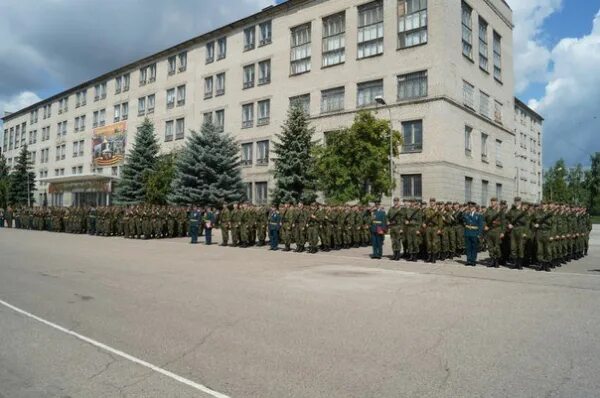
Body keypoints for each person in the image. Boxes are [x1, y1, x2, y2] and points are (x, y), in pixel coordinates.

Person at [464, 201, 483, 266]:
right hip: (467, 233)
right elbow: (461, 217)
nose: (470, 208)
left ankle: (473, 261)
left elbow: (480, 225)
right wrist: (464, 210)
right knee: (468, 247)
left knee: (474, 248)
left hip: (475, 233)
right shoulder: (466, 214)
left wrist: (479, 234)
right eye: (469, 207)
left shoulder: (478, 215)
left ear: (474, 207)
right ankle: (468, 260)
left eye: (472, 207)